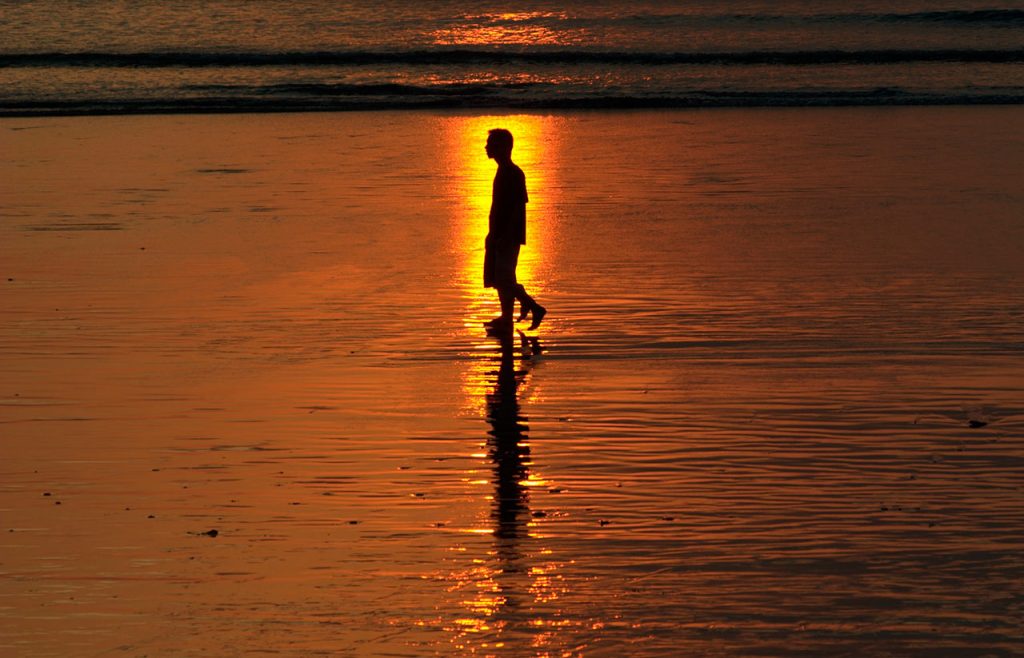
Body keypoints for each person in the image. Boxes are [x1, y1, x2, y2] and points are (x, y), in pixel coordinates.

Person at [483, 128, 546, 333]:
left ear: (502, 147)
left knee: (504, 278)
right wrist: (492, 234)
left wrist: (506, 235)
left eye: (491, 144)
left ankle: (533, 307)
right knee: (501, 278)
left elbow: (519, 206)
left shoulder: (513, 173)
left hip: (508, 235)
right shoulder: (502, 171)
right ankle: (507, 317)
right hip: (499, 233)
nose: (486, 147)